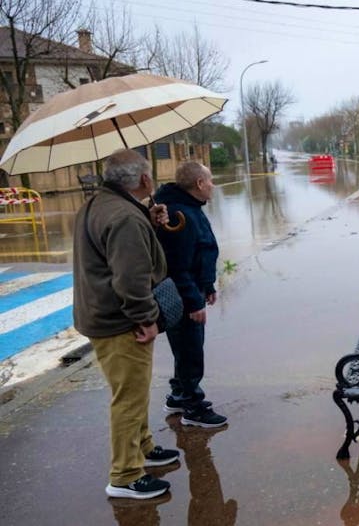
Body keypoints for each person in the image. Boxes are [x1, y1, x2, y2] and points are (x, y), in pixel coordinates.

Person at [73, 149, 179, 500]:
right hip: (121, 323)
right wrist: (146, 319)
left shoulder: (100, 204)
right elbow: (131, 280)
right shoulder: (124, 218)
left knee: (134, 390)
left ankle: (143, 447)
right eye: (150, 175)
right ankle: (125, 475)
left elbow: (113, 251)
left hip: (100, 315)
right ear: (144, 180)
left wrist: (146, 218)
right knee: (129, 398)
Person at [154, 162, 227, 428]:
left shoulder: (189, 209)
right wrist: (194, 301)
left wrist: (207, 285)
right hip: (185, 296)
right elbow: (178, 265)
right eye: (210, 180)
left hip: (195, 289)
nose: (213, 185)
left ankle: (178, 395)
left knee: (186, 349)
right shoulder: (179, 214)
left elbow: (201, 251)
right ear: (198, 184)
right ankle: (193, 407)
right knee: (190, 351)